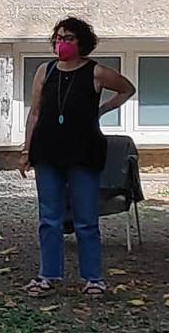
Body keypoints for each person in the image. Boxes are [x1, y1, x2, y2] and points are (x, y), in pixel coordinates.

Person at [20, 17, 135, 297]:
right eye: (58, 37)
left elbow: (127, 88)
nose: (62, 43)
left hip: (83, 151)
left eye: (68, 38)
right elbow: (35, 112)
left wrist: (103, 109)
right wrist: (26, 149)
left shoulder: (96, 72)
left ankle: (93, 278)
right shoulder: (45, 71)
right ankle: (48, 275)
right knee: (49, 217)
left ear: (81, 42)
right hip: (47, 150)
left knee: (86, 219)